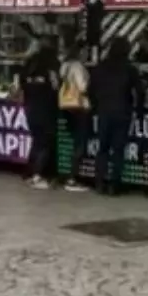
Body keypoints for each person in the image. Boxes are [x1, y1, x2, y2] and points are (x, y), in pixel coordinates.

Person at [88, 37, 143, 196]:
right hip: (123, 112)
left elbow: (91, 90)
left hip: (104, 112)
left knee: (102, 148)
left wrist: (96, 106)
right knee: (118, 150)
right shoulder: (130, 69)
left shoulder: (101, 67)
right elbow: (139, 91)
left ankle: (99, 182)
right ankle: (114, 185)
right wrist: (138, 108)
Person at [19, 36, 60, 190]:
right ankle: (38, 175)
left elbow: (21, 83)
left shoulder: (29, 63)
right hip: (46, 108)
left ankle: (29, 173)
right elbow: (56, 86)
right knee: (44, 142)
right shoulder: (52, 65)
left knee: (36, 140)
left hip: (30, 107)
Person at [59, 41, 92, 193]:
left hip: (66, 106)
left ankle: (70, 176)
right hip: (79, 106)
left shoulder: (64, 65)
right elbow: (82, 87)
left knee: (74, 140)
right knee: (80, 142)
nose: (87, 54)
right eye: (85, 51)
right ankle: (72, 178)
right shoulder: (78, 67)